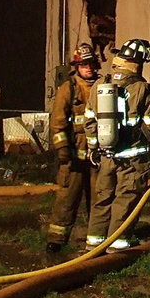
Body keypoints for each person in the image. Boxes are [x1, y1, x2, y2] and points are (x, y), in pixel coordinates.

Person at [85, 38, 150, 252]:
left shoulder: (100, 85)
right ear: (139, 62)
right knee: (125, 199)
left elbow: (89, 120)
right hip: (132, 159)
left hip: (106, 155)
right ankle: (117, 247)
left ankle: (93, 243)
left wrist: (94, 148)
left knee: (103, 198)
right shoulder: (140, 88)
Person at [46, 43, 101, 253]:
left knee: (99, 199)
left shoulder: (102, 86)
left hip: (98, 155)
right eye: (83, 64)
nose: (88, 68)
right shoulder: (68, 89)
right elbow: (58, 123)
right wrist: (63, 151)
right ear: (77, 66)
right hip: (74, 157)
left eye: (90, 64)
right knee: (67, 198)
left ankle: (96, 240)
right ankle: (56, 240)